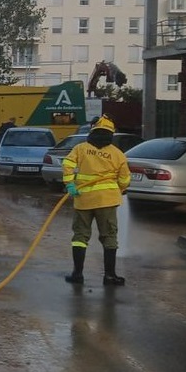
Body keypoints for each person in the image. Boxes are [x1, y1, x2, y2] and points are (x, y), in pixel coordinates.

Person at [61, 115, 131, 286]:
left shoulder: (81, 148)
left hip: (83, 199)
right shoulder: (117, 154)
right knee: (109, 237)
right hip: (107, 201)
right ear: (111, 133)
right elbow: (125, 180)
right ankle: (109, 276)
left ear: (92, 131)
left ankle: (77, 274)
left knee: (80, 237)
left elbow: (67, 164)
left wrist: (70, 184)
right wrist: (117, 190)